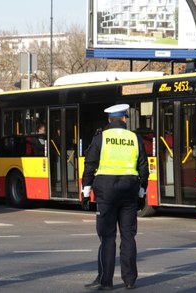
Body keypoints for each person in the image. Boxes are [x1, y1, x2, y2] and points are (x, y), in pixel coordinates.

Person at [81, 104, 149, 290]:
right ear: (124, 119)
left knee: (107, 236)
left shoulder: (101, 138)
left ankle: (106, 280)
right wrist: (142, 193)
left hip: (106, 192)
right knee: (128, 236)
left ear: (109, 120)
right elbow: (144, 168)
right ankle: (129, 280)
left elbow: (90, 165)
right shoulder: (135, 138)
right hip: (129, 191)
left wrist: (85, 193)